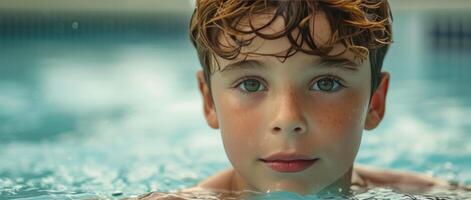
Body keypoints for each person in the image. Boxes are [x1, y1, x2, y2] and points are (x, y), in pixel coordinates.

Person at [183, 0, 458, 197]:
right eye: (251, 84)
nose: (287, 120)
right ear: (210, 103)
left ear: (375, 102)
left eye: (326, 84)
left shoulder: (438, 195)